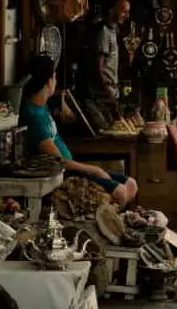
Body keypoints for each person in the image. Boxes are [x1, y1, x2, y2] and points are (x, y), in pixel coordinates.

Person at [21, 56, 138, 207]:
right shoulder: (33, 116)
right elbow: (60, 162)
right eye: (54, 77)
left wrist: (64, 102)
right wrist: (94, 169)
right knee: (120, 192)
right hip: (66, 173)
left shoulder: (41, 105)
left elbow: (65, 110)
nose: (55, 81)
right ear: (48, 81)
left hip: (74, 165)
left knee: (131, 184)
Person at [89, 0, 129, 111]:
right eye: (124, 12)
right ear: (112, 11)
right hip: (102, 95)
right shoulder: (104, 32)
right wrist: (107, 89)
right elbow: (98, 65)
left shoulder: (114, 32)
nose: (127, 16)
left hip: (112, 91)